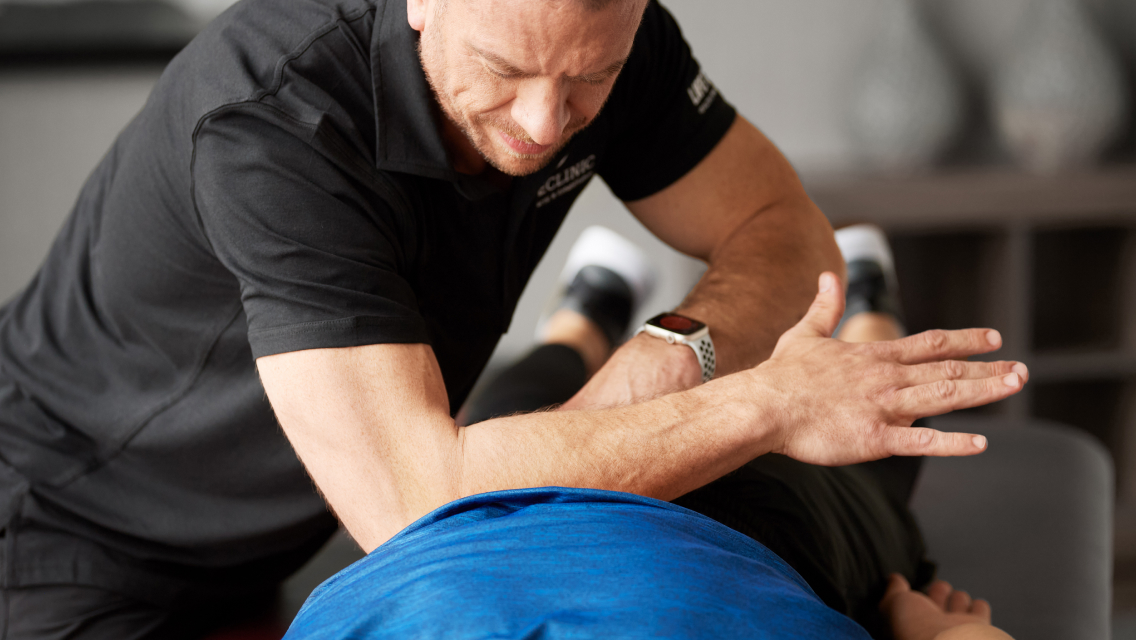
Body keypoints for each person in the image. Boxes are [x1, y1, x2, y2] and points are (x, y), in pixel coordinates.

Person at [0, 0, 1025, 636]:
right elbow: (419, 502)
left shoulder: (602, 43)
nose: (544, 122)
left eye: (590, 78)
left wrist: (674, 352)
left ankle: (604, 308)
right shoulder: (274, 122)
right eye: (503, 71)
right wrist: (760, 404)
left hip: (269, 534)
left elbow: (783, 229)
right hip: (64, 532)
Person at [283, 225, 1017, 640]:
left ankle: (586, 317)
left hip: (484, 519)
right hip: (750, 534)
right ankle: (869, 305)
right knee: (864, 454)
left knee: (519, 424)